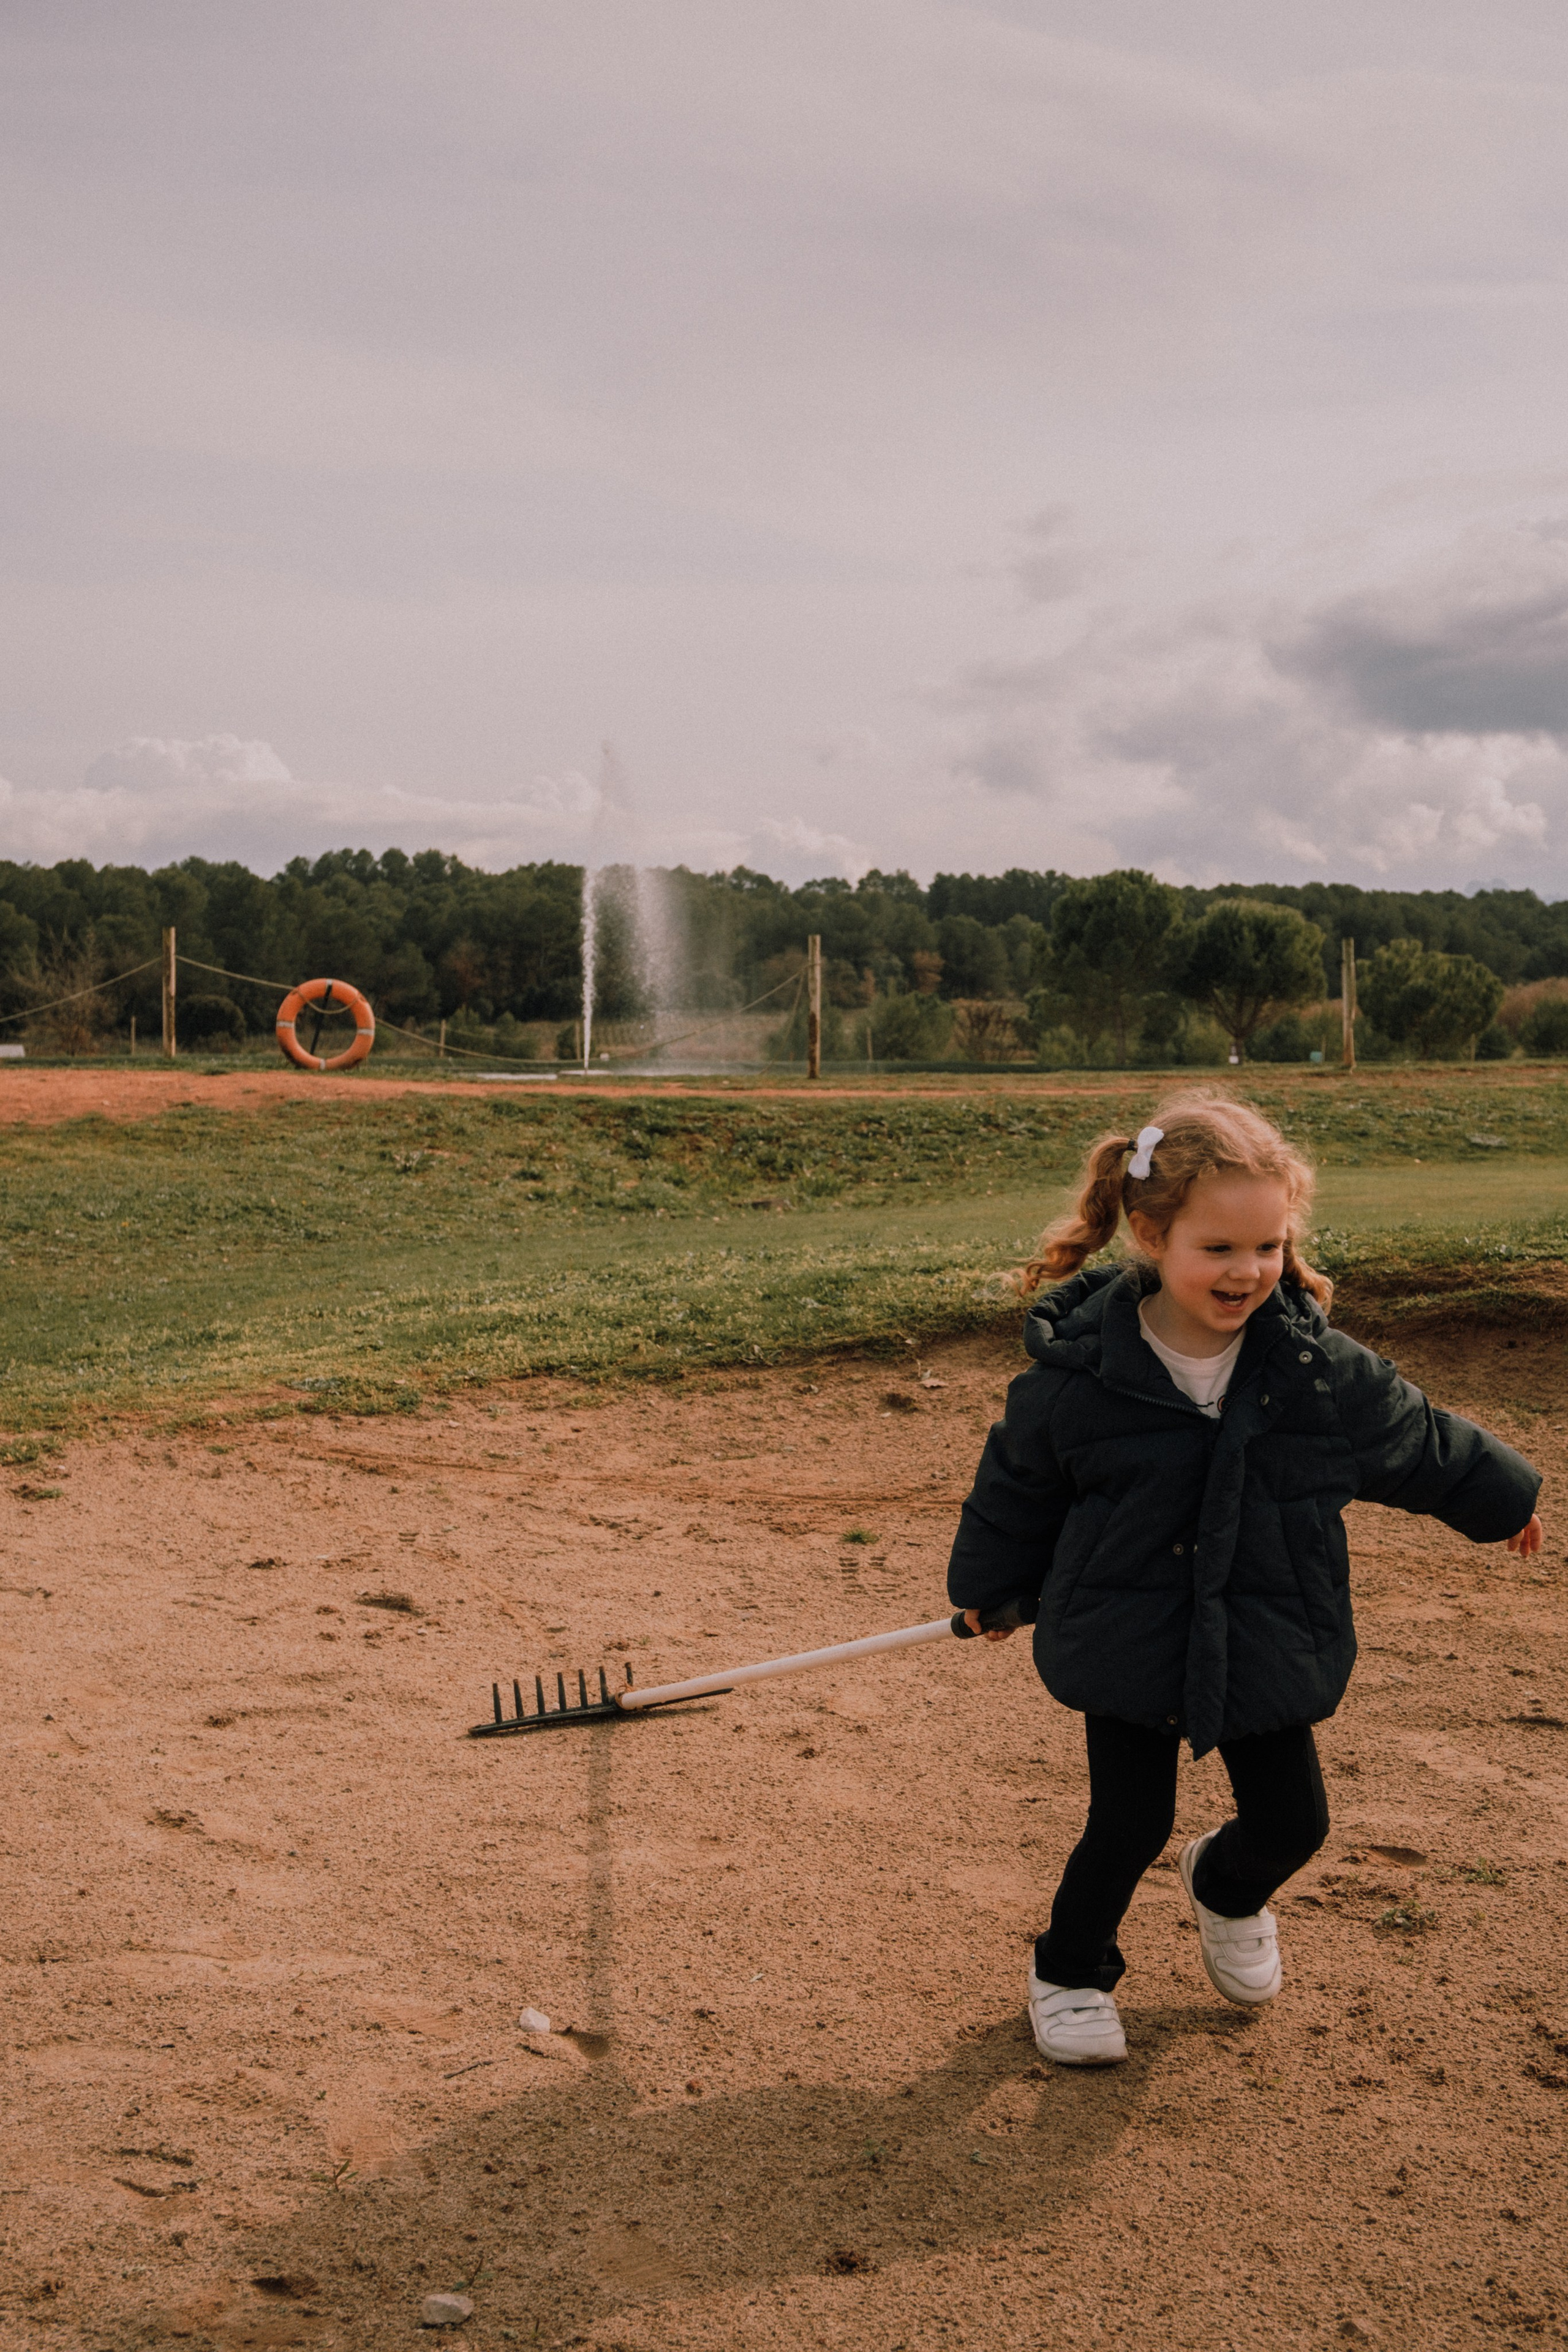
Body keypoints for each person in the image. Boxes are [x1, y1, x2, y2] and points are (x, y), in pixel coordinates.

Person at [948, 1092, 1543, 2066]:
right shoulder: (1081, 1375)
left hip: (1266, 1626)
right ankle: (1069, 1968)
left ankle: (1225, 1887)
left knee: (1292, 1822)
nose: (1248, 1272)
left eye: (1266, 1247)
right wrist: (990, 1584)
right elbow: (1017, 1482)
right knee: (1127, 1822)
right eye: (1218, 1249)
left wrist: (1500, 1498)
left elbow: (1413, 1439)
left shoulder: (1314, 1369)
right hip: (1130, 1631)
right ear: (1150, 1233)